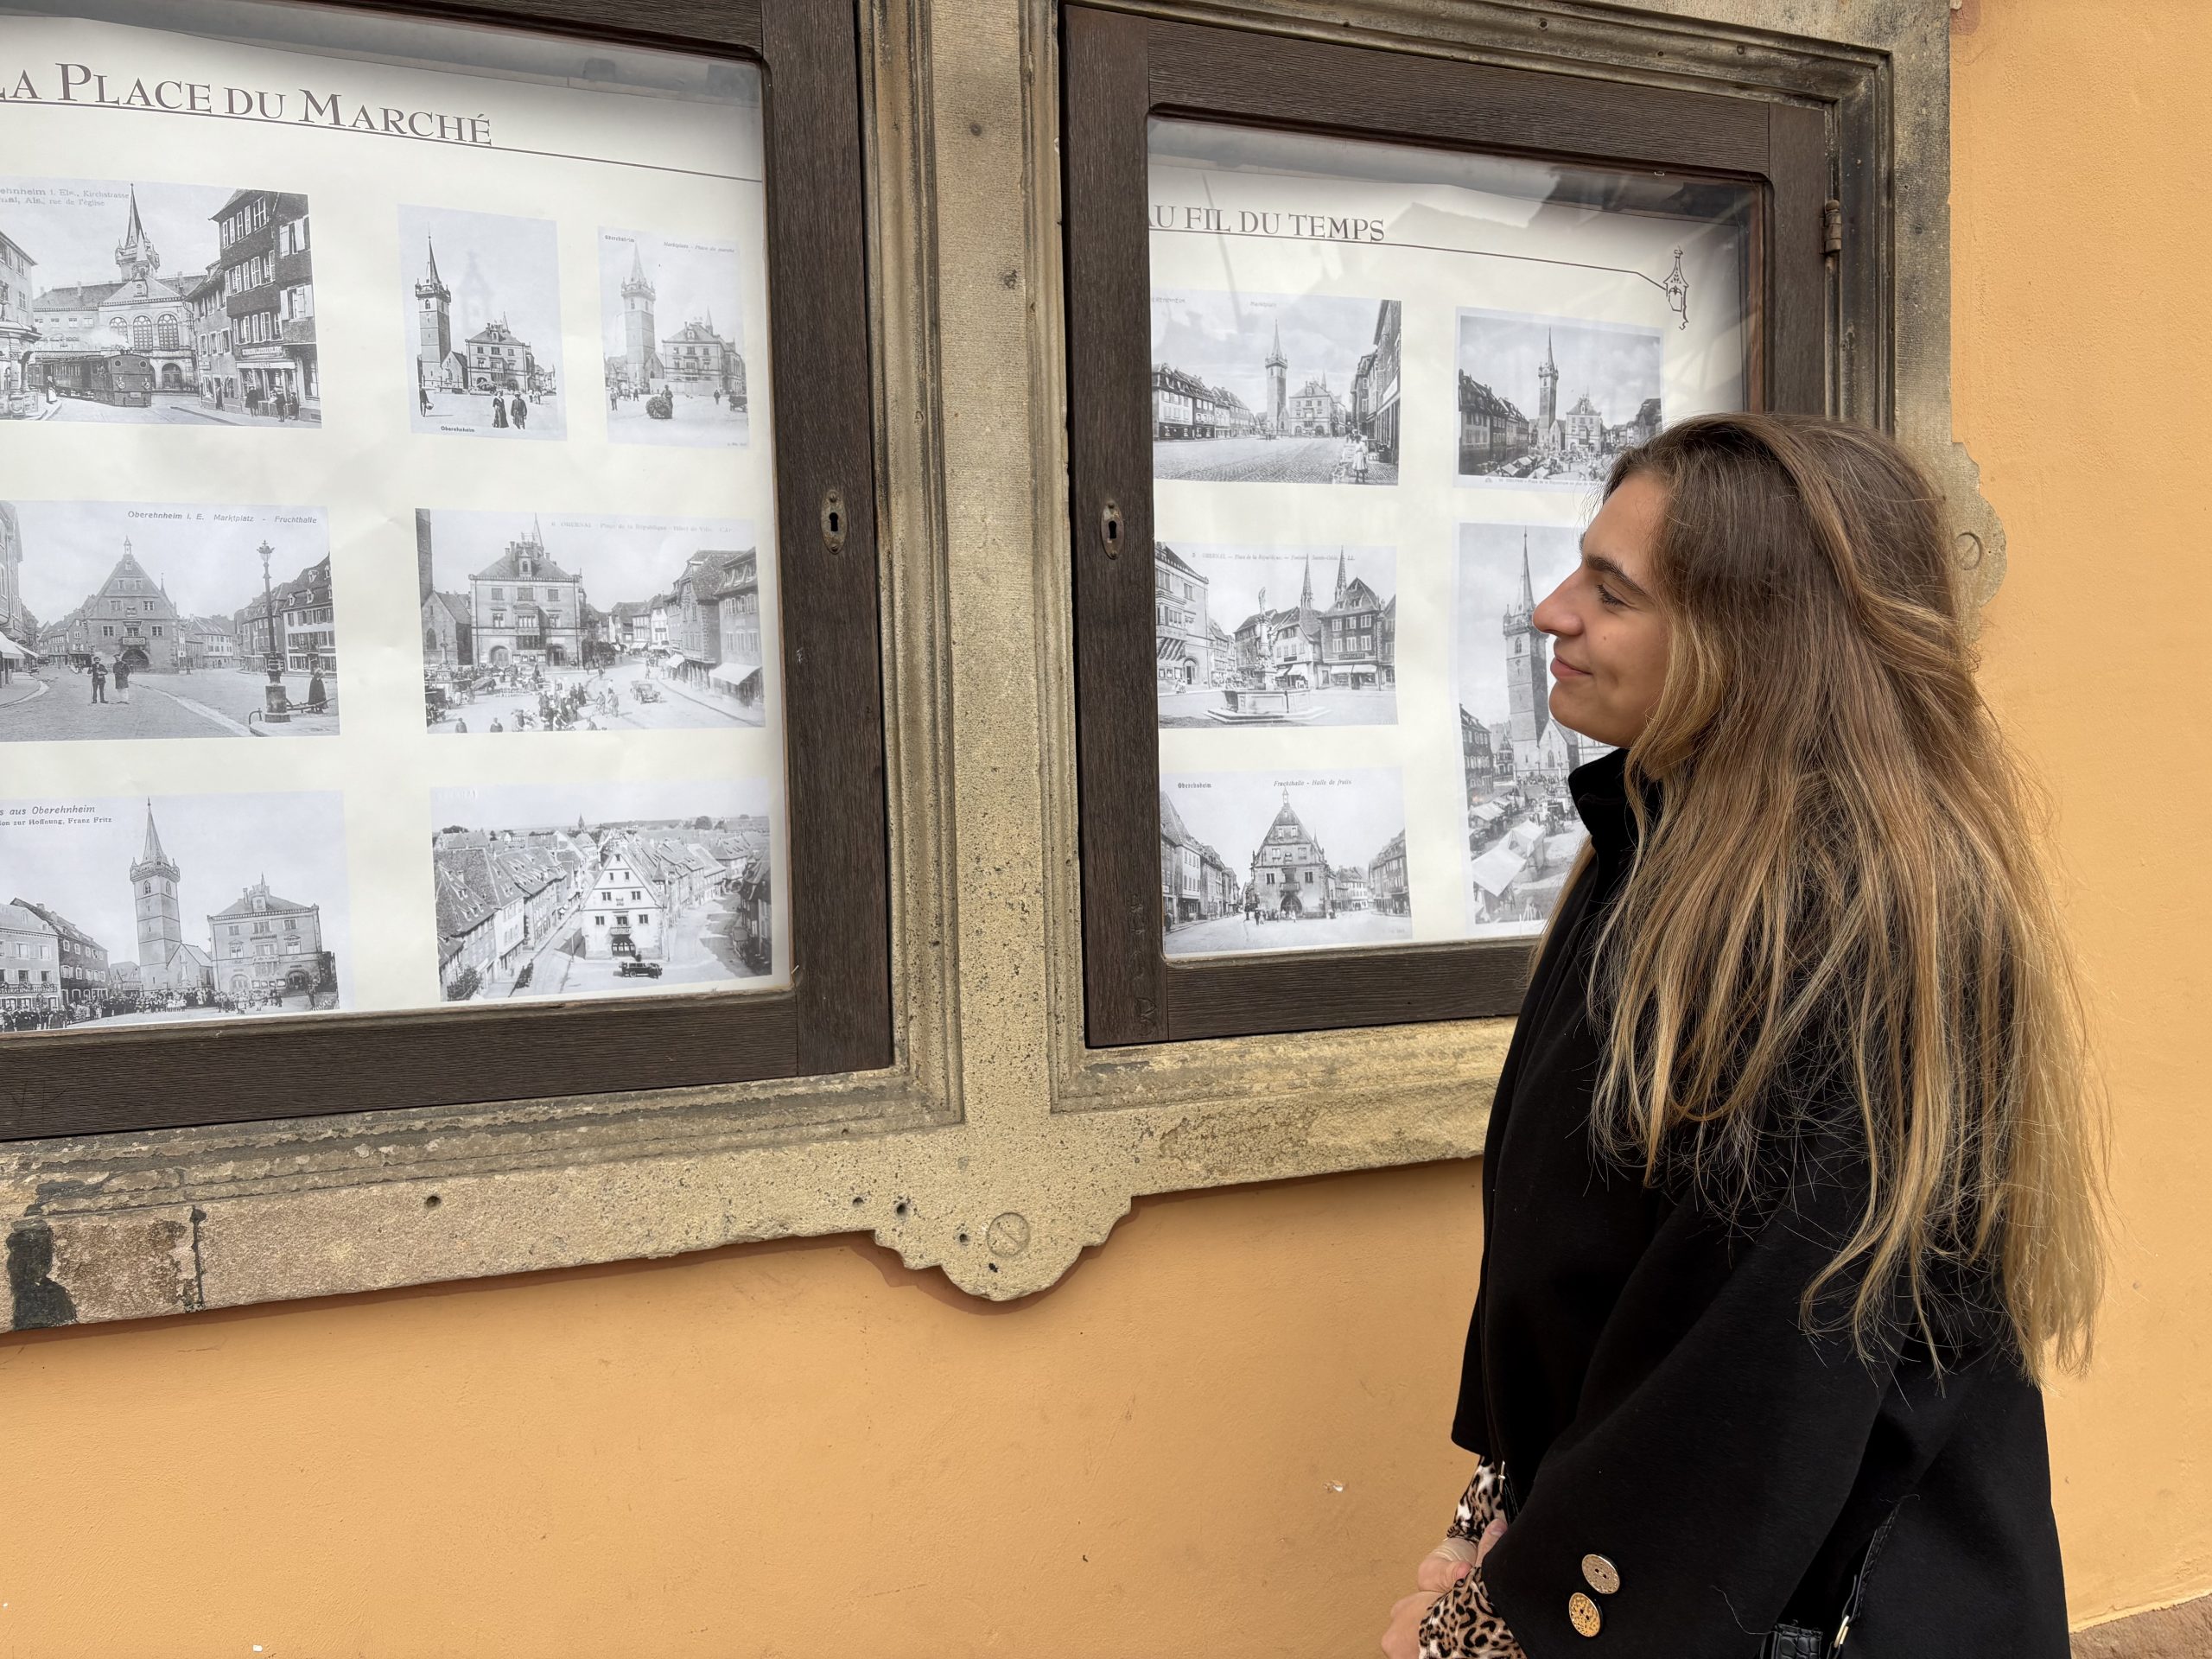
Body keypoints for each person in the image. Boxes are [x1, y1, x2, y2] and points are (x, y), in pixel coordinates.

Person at [1382, 414, 2103, 1659]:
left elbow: (1745, 1382)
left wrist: (1495, 1630)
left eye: (1612, 593)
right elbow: (1580, 1289)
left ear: (1754, 645)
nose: (1553, 613)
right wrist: (1493, 1518)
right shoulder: (1659, 852)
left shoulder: (1835, 936)